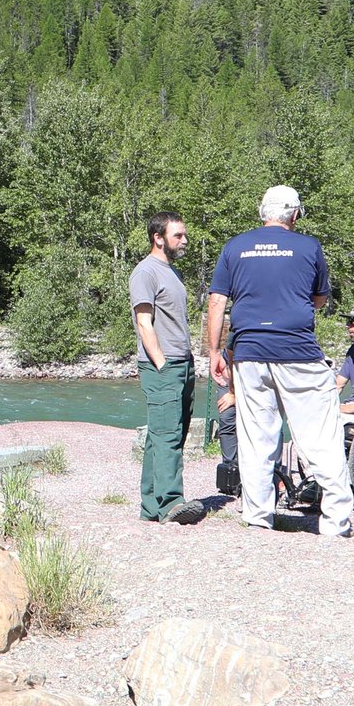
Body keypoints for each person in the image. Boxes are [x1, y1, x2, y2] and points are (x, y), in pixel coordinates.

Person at [203, 185, 354, 538]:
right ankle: (335, 522)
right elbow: (318, 299)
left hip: (250, 354)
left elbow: (216, 301)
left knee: (256, 438)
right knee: (320, 436)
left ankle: (258, 517)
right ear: (295, 215)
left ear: (262, 212)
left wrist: (214, 352)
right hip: (297, 351)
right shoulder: (309, 246)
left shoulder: (234, 246)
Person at [129, 212, 208, 525]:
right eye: (178, 235)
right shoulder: (145, 272)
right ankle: (172, 502)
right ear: (158, 238)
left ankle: (151, 505)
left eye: (184, 235)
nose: (184, 240)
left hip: (181, 362)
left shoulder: (170, 272)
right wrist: (161, 364)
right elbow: (143, 322)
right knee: (167, 434)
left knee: (164, 434)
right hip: (163, 365)